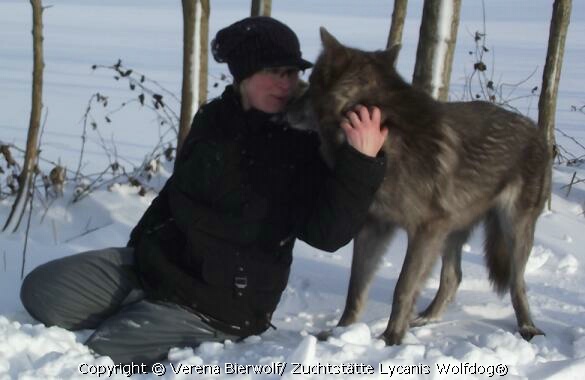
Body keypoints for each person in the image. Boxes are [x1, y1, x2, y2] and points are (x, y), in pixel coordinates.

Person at [20, 16, 388, 365]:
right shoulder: (215, 118)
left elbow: (328, 235)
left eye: (292, 73)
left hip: (222, 302)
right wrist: (140, 250)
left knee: (102, 351)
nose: (287, 84)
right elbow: (176, 192)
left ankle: (172, 321)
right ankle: (145, 300)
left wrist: (362, 160)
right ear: (243, 74)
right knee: (41, 291)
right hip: (162, 267)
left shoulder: (304, 138)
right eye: (275, 73)